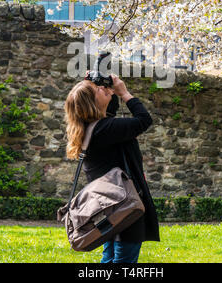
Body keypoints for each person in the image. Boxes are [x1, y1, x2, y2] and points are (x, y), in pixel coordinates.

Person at [64, 73, 160, 263]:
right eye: (98, 89)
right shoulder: (105, 129)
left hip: (110, 208)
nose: (104, 89)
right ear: (92, 102)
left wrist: (103, 87)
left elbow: (110, 112)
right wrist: (124, 93)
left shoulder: (93, 128)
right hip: (125, 206)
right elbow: (144, 120)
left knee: (109, 259)